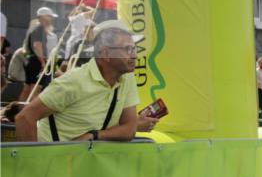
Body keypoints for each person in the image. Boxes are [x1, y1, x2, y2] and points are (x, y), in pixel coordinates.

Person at [14, 22, 158, 142]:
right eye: (128, 49)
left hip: (84, 162)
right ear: (106, 54)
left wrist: (94, 136)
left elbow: (129, 129)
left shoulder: (127, 78)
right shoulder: (74, 81)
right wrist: (34, 162)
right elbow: (24, 118)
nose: (134, 55)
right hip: (54, 162)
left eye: (134, 49)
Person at [20, 8, 58, 101]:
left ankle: (18, 108)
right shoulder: (40, 29)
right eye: (49, 16)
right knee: (35, 88)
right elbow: (37, 46)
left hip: (30, 60)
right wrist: (43, 62)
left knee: (27, 88)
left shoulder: (36, 29)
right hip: (36, 62)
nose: (51, 19)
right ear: (43, 17)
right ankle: (30, 109)